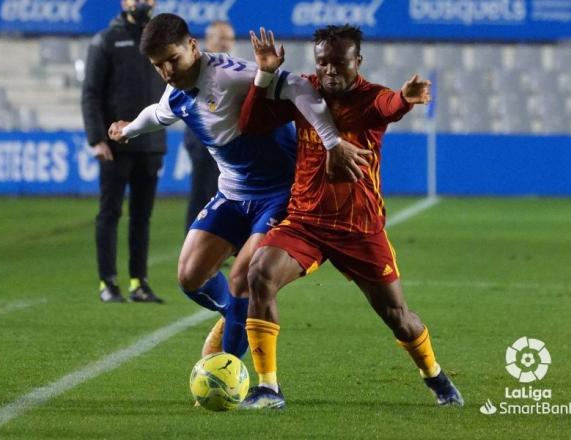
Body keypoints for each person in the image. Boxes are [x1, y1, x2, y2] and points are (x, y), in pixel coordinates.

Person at [108, 13, 367, 359]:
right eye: (159, 66)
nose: (168, 71)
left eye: (173, 59)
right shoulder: (177, 92)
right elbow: (157, 113)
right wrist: (128, 130)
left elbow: (299, 86)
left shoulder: (231, 76)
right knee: (190, 276)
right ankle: (237, 313)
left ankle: (231, 375)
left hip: (281, 194)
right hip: (232, 193)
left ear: (193, 46)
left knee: (243, 279)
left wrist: (332, 141)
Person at [238, 26, 463, 409]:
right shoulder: (303, 91)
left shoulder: (369, 98)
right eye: (322, 61)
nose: (329, 70)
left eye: (339, 63)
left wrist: (406, 99)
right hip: (306, 221)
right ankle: (268, 388)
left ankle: (434, 375)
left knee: (398, 317)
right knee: (259, 273)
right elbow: (252, 125)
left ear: (357, 62)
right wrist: (265, 75)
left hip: (360, 229)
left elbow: (388, 105)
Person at [82, 0, 165, 303]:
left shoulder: (163, 38)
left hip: (152, 144)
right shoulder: (106, 39)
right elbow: (90, 93)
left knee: (142, 216)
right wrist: (96, 138)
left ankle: (138, 282)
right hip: (115, 145)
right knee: (110, 212)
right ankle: (108, 282)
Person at [183, 21, 235, 233]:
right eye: (221, 38)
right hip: (202, 140)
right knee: (202, 193)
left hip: (226, 141)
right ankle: (192, 242)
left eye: (229, 38)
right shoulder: (196, 67)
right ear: (209, 40)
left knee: (225, 193)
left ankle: (218, 242)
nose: (226, 43)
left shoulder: (233, 66)